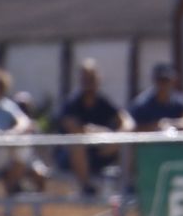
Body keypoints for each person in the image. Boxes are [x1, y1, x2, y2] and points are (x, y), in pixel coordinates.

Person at [57, 59, 135, 195]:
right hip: (71, 157)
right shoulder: (71, 104)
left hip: (101, 150)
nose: (89, 82)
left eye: (92, 78)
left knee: (128, 142)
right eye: (86, 78)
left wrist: (115, 139)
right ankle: (87, 188)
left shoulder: (103, 101)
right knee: (77, 142)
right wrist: (104, 134)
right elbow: (76, 129)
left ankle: (127, 185)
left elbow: (128, 123)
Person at [128, 62, 183, 134]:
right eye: (160, 80)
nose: (164, 85)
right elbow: (132, 128)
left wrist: (169, 123)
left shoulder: (181, 101)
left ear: (173, 81)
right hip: (151, 145)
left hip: (176, 144)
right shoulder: (142, 104)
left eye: (167, 80)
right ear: (154, 81)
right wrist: (155, 127)